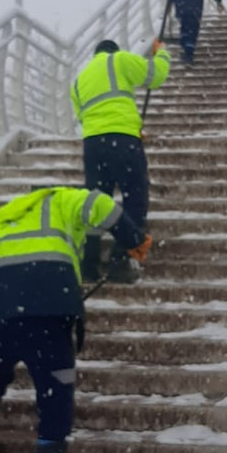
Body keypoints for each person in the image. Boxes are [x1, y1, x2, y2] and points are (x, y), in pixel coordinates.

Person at [0, 184, 151, 453]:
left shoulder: (2, 222)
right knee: (55, 396)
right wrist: (134, 239)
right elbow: (102, 205)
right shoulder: (61, 198)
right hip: (46, 309)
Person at [70, 37, 169, 283]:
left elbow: (85, 117)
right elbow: (156, 76)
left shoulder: (79, 80)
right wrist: (162, 54)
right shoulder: (120, 60)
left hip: (93, 144)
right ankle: (121, 258)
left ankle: (89, 263)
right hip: (123, 141)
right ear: (114, 51)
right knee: (135, 195)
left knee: (94, 202)